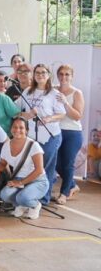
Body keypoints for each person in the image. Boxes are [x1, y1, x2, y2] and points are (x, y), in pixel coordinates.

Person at [15, 63, 65, 204]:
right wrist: (27, 114)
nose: (40, 75)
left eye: (43, 72)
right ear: (34, 75)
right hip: (31, 137)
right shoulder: (27, 92)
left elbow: (62, 114)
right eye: (37, 72)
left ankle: (44, 199)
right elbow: (16, 111)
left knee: (46, 168)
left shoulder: (54, 93)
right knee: (32, 167)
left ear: (48, 75)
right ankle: (30, 195)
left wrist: (49, 118)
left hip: (50, 136)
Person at [0, 117, 49, 219]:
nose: (17, 130)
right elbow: (2, 163)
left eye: (21, 128)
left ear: (27, 130)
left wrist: (20, 183)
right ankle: (21, 206)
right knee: (4, 195)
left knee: (23, 197)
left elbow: (39, 170)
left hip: (37, 180)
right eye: (15, 127)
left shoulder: (34, 145)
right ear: (11, 129)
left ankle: (35, 205)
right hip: (19, 179)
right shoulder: (7, 145)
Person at [55, 64, 85, 204]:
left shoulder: (77, 93)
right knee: (54, 163)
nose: (63, 77)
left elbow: (77, 116)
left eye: (67, 74)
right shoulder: (53, 90)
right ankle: (72, 185)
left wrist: (66, 103)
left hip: (72, 133)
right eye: (61, 74)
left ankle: (64, 193)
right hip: (54, 131)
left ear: (72, 76)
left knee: (67, 164)